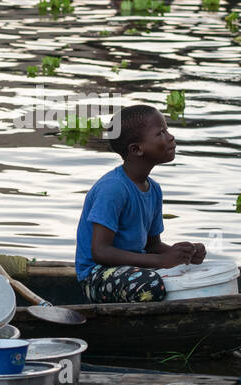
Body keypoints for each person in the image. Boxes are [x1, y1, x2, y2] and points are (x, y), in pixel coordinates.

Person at [75, 105, 206, 303]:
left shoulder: (153, 189)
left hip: (134, 270)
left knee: (201, 273)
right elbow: (100, 251)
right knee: (150, 284)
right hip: (96, 277)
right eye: (161, 133)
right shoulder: (113, 189)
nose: (170, 137)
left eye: (167, 130)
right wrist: (160, 261)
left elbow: (152, 245)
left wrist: (183, 255)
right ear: (137, 149)